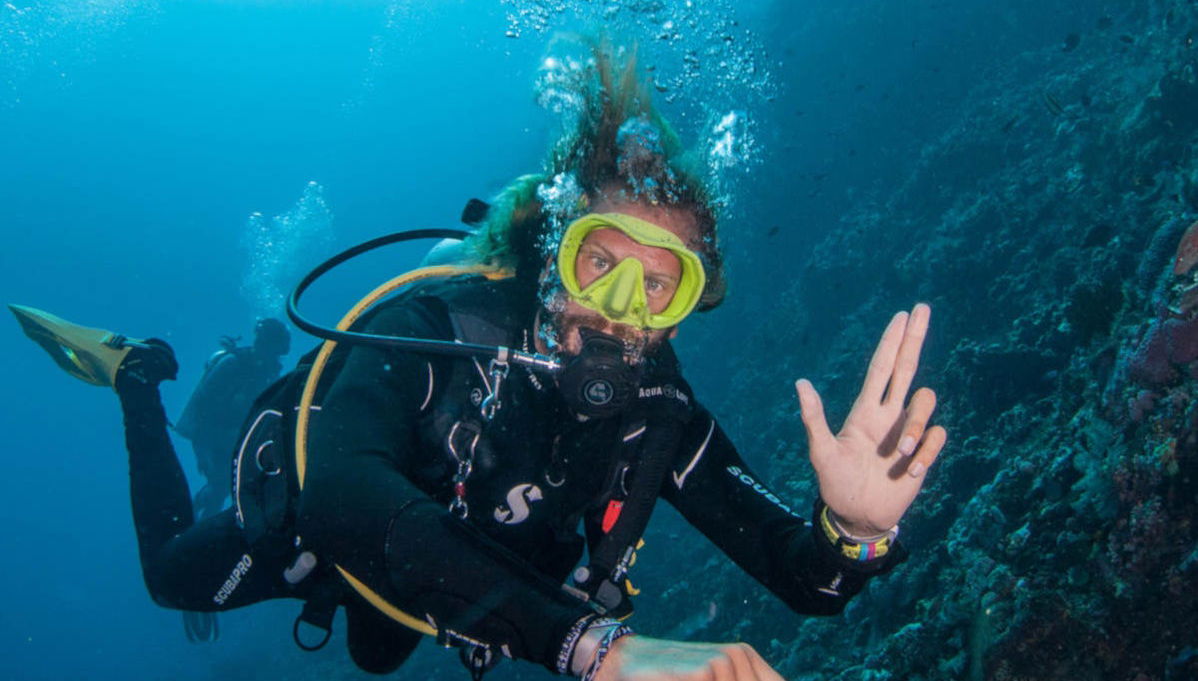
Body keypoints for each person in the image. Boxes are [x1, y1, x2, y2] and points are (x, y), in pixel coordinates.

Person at [12, 41, 946, 681]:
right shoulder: (434, 329)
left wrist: (851, 532)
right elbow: (340, 497)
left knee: (380, 655)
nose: (621, 311)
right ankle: (135, 377)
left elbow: (807, 578)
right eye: (599, 262)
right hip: (323, 535)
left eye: (659, 286)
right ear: (551, 253)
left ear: (689, 304)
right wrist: (600, 651)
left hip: (452, 587)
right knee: (174, 577)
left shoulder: (660, 416)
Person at [175, 318, 291, 518]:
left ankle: (193, 524)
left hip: (235, 438)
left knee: (227, 488)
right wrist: (202, 449)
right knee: (219, 488)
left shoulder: (267, 371)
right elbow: (203, 407)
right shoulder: (232, 364)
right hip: (213, 436)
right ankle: (191, 526)